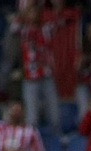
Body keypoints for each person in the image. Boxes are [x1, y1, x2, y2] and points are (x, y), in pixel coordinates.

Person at [17, 0, 58, 131]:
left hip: (46, 75)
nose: (32, 15)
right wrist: (28, 6)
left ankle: (58, 145)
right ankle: (31, 145)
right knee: (32, 118)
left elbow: (57, 18)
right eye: (30, 12)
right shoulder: (23, 30)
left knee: (54, 115)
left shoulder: (46, 29)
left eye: (35, 12)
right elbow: (16, 23)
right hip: (30, 77)